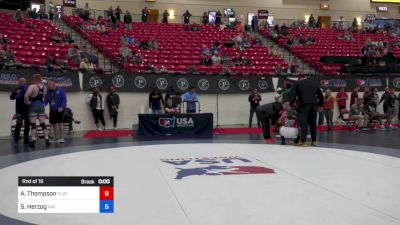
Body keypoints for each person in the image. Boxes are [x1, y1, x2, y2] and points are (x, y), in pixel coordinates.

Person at [292, 77, 324, 146]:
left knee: (304, 123)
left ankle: (303, 141)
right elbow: (321, 95)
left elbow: (293, 95)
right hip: (314, 105)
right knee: (313, 123)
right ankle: (314, 141)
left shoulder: (297, 83)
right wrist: (321, 105)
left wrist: (291, 104)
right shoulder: (315, 83)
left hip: (304, 105)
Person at [24, 74, 50, 147]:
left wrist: (27, 102)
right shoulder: (44, 87)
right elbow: (45, 96)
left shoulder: (32, 86)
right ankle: (47, 139)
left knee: (33, 124)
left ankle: (33, 140)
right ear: (41, 79)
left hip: (33, 105)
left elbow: (26, 96)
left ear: (34, 79)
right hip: (41, 105)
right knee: (43, 123)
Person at [10, 77, 30, 144]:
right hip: (19, 109)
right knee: (19, 123)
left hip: (27, 109)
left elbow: (31, 97)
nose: (23, 83)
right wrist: (15, 93)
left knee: (27, 123)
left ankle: (26, 139)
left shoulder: (28, 88)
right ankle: (16, 138)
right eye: (22, 81)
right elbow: (11, 98)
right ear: (19, 82)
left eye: (24, 81)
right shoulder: (16, 88)